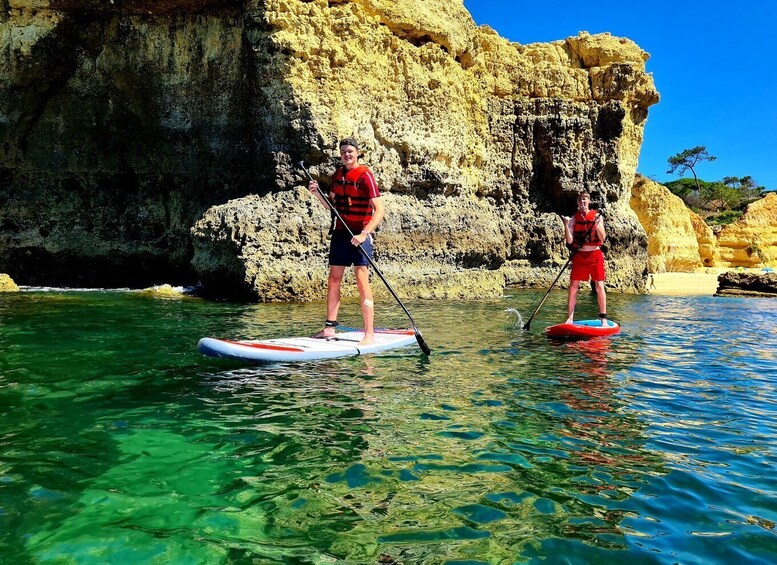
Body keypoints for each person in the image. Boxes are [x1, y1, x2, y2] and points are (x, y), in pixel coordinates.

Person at [308, 138, 385, 345]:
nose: (346, 154)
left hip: (359, 234)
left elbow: (380, 210)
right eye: (343, 151)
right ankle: (329, 329)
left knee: (361, 281)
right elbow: (330, 206)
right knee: (334, 279)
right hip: (341, 234)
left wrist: (364, 233)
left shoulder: (365, 175)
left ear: (358, 153)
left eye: (350, 151)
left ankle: (369, 334)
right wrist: (317, 194)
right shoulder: (338, 175)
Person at [563, 191, 607, 326]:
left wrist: (598, 224)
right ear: (577, 202)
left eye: (585, 199)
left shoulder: (597, 216)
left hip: (595, 254)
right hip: (580, 256)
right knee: (573, 286)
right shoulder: (573, 218)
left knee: (599, 286)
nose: (583, 202)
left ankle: (603, 318)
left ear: (589, 201)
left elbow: (602, 238)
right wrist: (566, 224)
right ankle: (570, 318)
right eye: (580, 200)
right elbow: (570, 241)